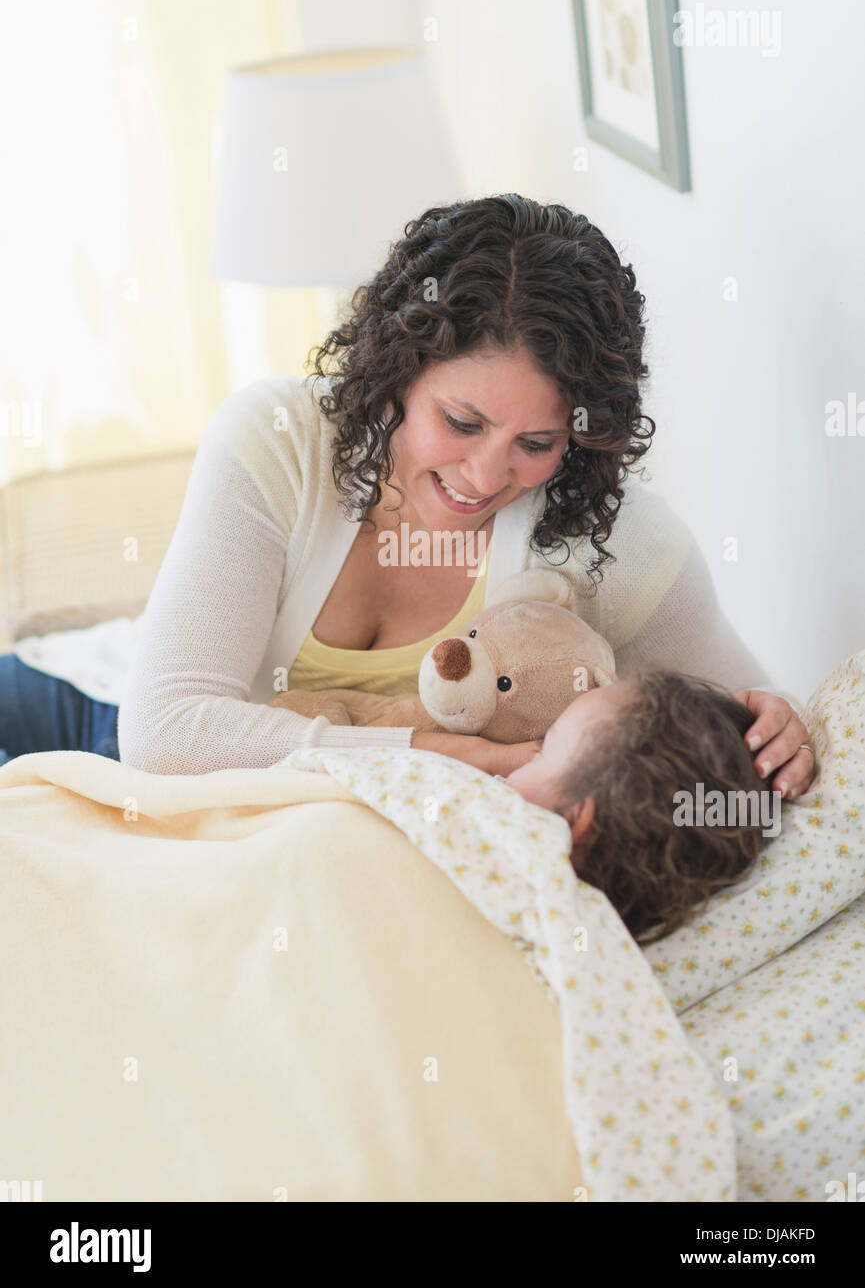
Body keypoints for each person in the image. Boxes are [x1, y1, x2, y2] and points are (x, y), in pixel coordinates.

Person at [1, 195, 815, 796]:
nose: (486, 476)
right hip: (91, 709)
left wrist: (779, 721)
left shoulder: (618, 544)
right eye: (460, 422)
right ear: (393, 372)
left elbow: (760, 722)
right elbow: (166, 734)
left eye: (536, 444)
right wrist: (421, 754)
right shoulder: (278, 440)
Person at [504, 671, 793, 945]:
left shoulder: (484, 828)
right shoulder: (582, 946)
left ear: (575, 817)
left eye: (542, 751)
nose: (523, 759)